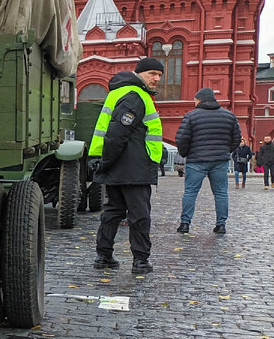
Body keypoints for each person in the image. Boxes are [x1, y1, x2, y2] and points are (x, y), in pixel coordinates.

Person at [89, 57, 164, 275]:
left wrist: (105, 163)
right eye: (152, 73)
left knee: (113, 211)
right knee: (139, 215)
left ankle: (103, 256)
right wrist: (106, 162)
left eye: (159, 75)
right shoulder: (135, 95)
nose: (156, 78)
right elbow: (117, 134)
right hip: (134, 167)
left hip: (121, 165)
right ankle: (140, 261)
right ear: (139, 73)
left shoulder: (121, 92)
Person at [174, 88, 241, 235]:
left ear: (200, 100)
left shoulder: (191, 116)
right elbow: (237, 138)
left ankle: (185, 224)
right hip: (219, 161)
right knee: (221, 193)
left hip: (196, 160)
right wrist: (225, 150)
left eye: (195, 100)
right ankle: (221, 225)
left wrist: (186, 153)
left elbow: (181, 139)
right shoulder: (229, 116)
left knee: (190, 192)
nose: (194, 103)